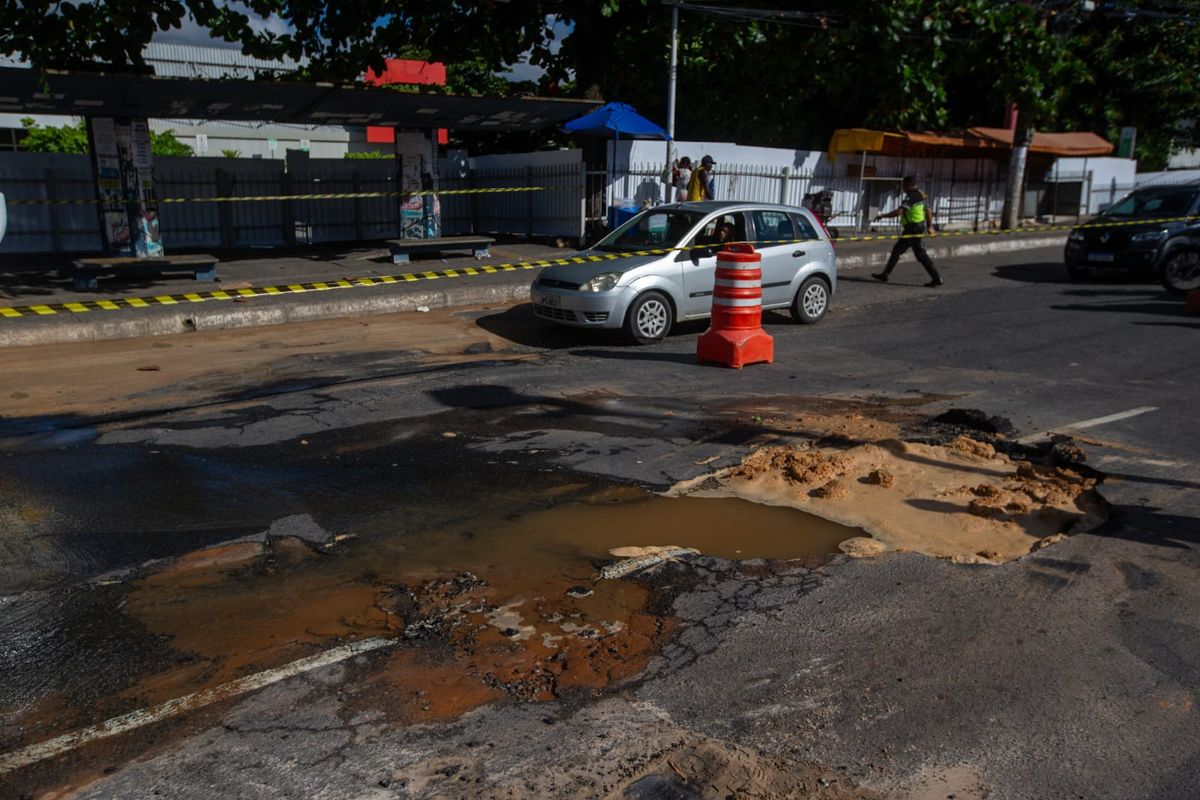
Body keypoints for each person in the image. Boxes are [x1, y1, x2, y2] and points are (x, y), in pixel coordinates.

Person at [871, 176, 943, 287]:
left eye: (903, 185)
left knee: (918, 254)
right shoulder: (921, 194)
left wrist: (883, 216)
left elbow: (899, 212)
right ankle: (885, 274)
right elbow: (928, 211)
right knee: (900, 251)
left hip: (912, 229)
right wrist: (929, 226)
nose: (902, 187)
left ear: (909, 184)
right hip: (916, 227)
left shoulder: (911, 196)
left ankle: (937, 278)